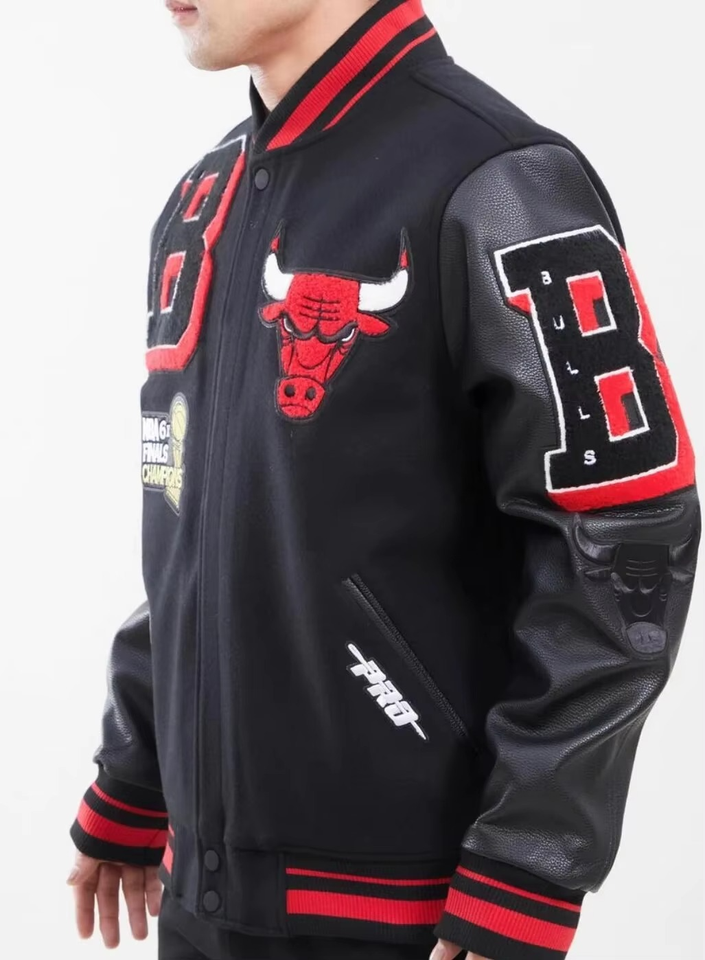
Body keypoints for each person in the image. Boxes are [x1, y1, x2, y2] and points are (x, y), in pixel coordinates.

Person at [66, 2, 700, 959]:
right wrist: (137, 767)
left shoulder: (499, 180)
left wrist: (527, 858)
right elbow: (196, 516)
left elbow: (626, 533)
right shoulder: (202, 201)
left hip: (409, 910)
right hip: (199, 894)